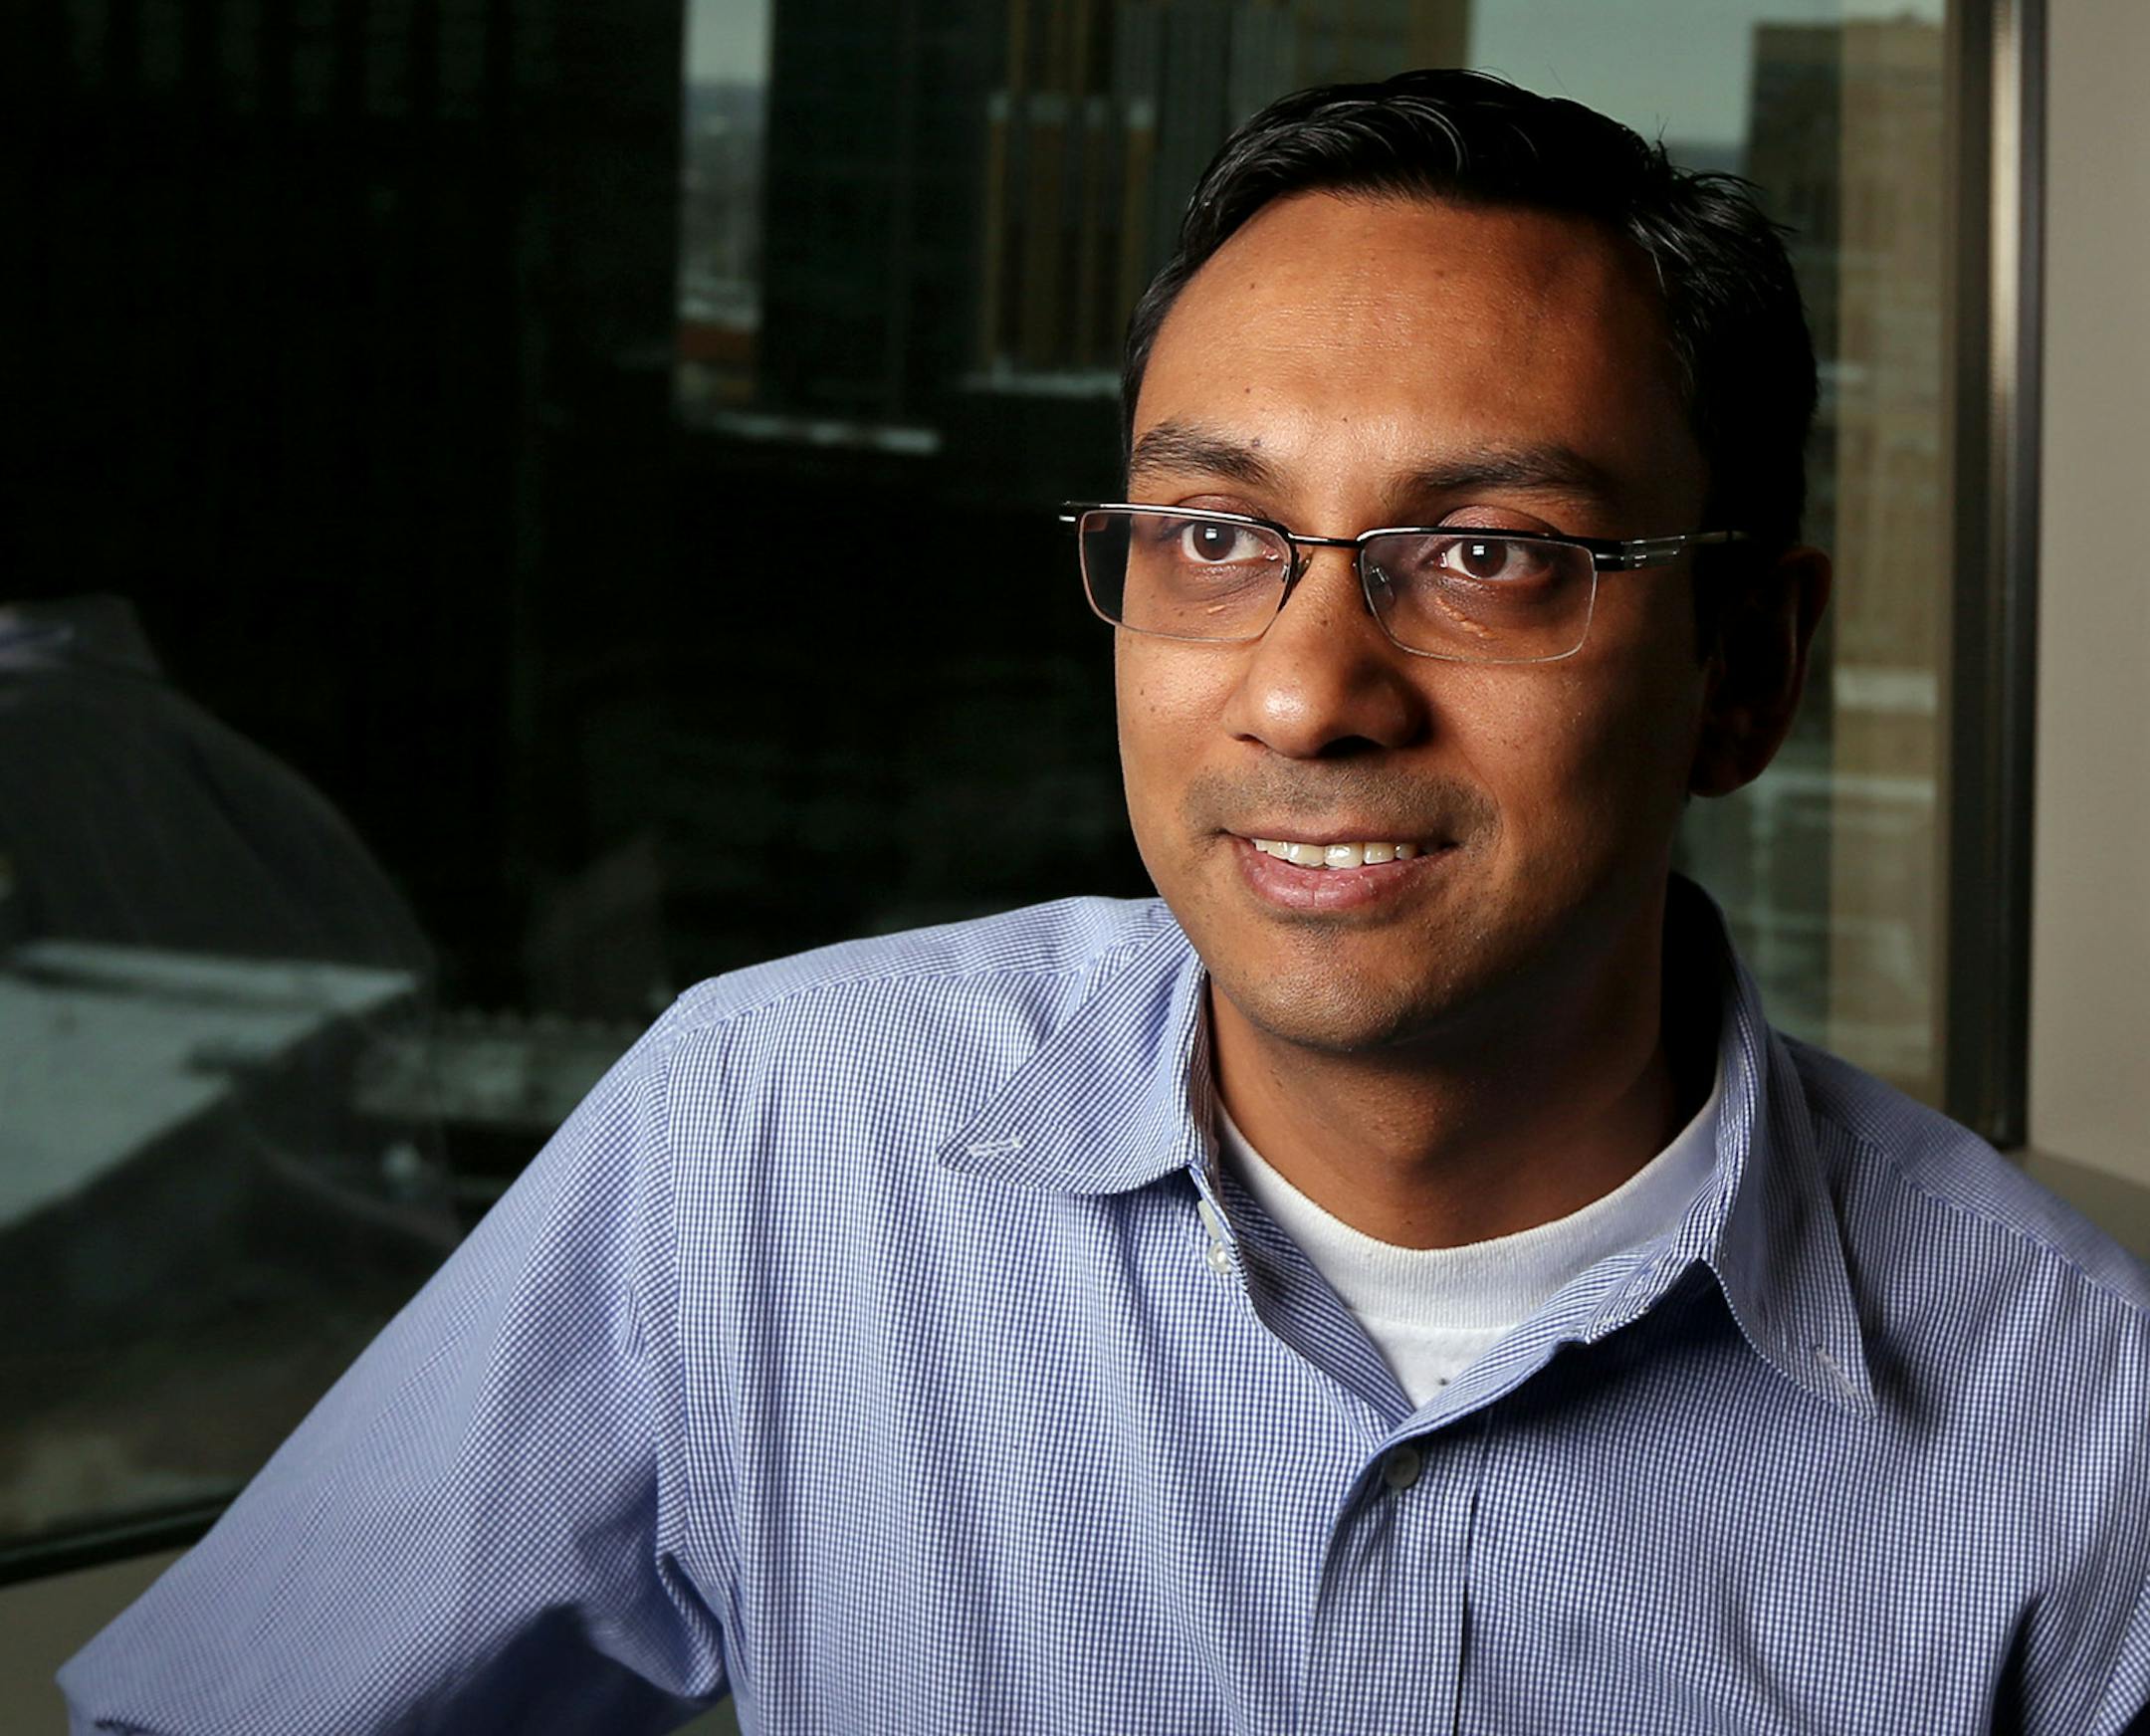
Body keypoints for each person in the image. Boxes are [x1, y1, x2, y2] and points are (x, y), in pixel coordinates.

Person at [62, 71, 2150, 1735]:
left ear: (1750, 670)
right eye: (1215, 535)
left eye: (1490, 553)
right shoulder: (771, 1130)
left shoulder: (2087, 1428)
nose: (1308, 693)